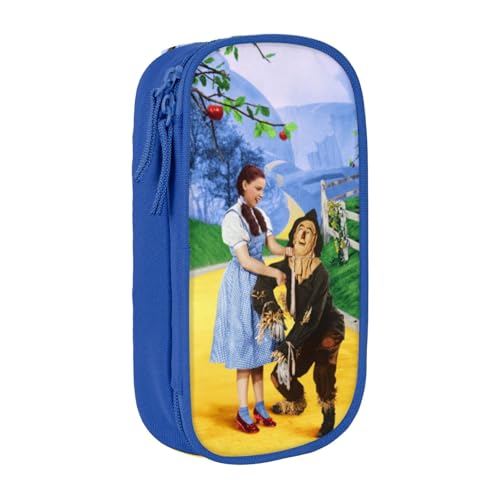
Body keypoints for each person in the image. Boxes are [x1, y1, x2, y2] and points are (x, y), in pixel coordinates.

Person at [210, 164, 294, 433]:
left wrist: (291, 251)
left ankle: (259, 405)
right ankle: (242, 409)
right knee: (245, 345)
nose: (261, 194)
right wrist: (274, 272)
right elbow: (246, 261)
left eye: (263, 190)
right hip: (241, 284)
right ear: (244, 185)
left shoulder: (260, 215)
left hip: (258, 283)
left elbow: (272, 246)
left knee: (260, 346)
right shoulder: (233, 218)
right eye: (257, 188)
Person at [251, 209, 345, 437]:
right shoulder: (285, 267)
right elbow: (262, 285)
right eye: (300, 229)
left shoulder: (320, 273)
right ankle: (297, 401)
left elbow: (312, 316)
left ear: (314, 241)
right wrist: (272, 311)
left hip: (326, 326)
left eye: (309, 231)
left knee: (323, 362)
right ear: (293, 237)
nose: (303, 233)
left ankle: (328, 413)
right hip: (304, 332)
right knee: (279, 376)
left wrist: (290, 342)